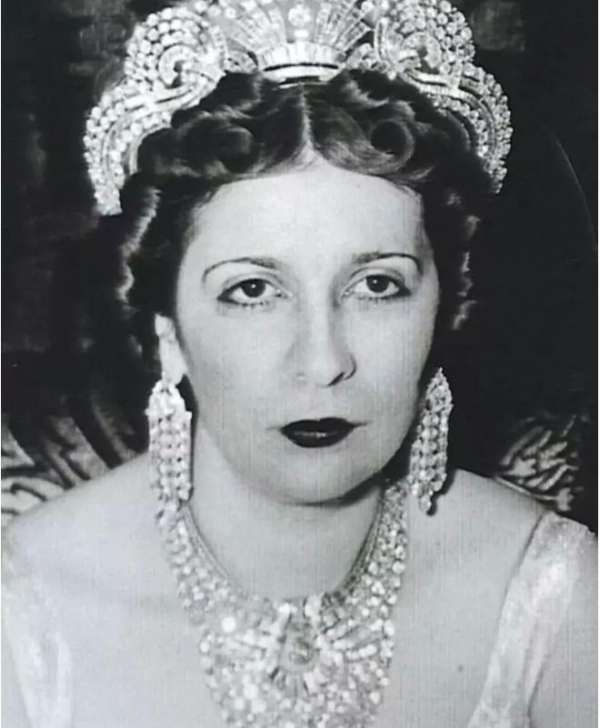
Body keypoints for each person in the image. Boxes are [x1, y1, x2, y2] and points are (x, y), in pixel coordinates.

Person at [2, 1, 596, 727]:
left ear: (443, 310)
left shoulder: (552, 596)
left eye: (377, 285)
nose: (322, 362)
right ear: (167, 329)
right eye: (253, 291)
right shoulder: (25, 617)